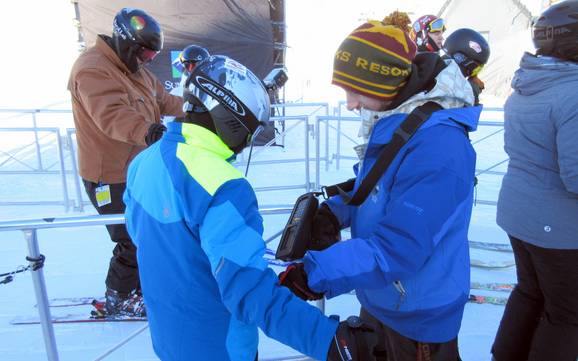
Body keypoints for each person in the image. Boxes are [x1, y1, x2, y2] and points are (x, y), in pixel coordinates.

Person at [123, 55, 377, 361]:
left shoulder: (144, 162)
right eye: (251, 131)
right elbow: (248, 290)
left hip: (170, 339)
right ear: (233, 119)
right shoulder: (222, 184)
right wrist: (328, 340)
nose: (247, 143)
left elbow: (142, 237)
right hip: (220, 347)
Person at [279, 17, 481, 361]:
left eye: (356, 91)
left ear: (386, 83)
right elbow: (375, 185)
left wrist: (314, 274)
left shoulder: (439, 147)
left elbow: (397, 249)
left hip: (419, 315)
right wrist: (335, 211)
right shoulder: (399, 118)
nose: (350, 104)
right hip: (384, 295)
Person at [67, 7, 184, 316]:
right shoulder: (91, 69)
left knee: (148, 231)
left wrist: (201, 109)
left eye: (151, 57)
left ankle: (143, 288)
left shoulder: (136, 71)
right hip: (109, 175)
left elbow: (166, 100)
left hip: (137, 169)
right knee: (130, 238)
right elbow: (111, 114)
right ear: (127, 44)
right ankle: (118, 295)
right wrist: (147, 131)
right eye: (145, 54)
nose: (147, 61)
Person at [491, 1, 578, 360]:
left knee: (530, 292)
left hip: (521, 213)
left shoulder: (531, 82)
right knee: (568, 313)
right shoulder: (572, 92)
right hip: (555, 225)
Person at [443, 28, 490, 105]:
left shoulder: (440, 70)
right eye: (476, 68)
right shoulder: (442, 79)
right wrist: (471, 91)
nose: (474, 73)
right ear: (461, 58)